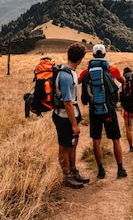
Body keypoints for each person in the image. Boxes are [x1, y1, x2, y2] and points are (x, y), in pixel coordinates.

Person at [78, 44, 127, 179]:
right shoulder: (112, 69)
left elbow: (77, 82)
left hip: (94, 110)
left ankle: (100, 170)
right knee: (116, 139)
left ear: (93, 55)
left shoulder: (86, 71)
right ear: (105, 55)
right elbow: (123, 82)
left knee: (96, 140)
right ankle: (120, 169)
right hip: (109, 109)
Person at [52, 42, 89, 189]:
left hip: (70, 114)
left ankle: (73, 171)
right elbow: (67, 102)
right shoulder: (66, 76)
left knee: (72, 144)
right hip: (64, 116)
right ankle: (66, 175)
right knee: (64, 146)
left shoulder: (69, 72)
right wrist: (74, 124)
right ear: (80, 59)